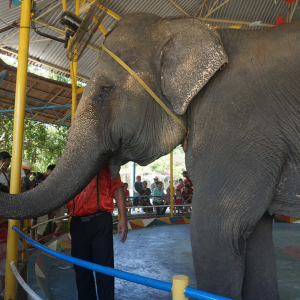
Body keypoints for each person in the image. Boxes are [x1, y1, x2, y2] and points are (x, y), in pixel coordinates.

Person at [67, 163, 127, 300]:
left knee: (104, 271)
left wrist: (122, 218)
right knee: (81, 272)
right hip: (77, 224)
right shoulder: (70, 164)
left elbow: (117, 187)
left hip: (101, 222)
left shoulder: (106, 161)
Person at [30, 164, 56, 241]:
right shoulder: (40, 177)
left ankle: (35, 238)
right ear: (48, 171)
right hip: (37, 201)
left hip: (41, 202)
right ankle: (33, 239)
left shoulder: (45, 179)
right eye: (52, 173)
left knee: (38, 221)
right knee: (35, 221)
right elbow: (34, 187)